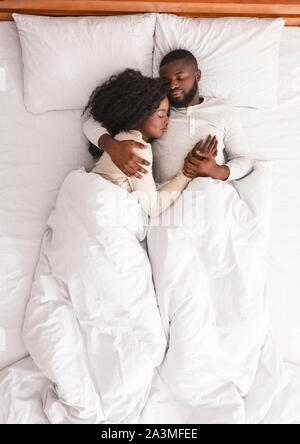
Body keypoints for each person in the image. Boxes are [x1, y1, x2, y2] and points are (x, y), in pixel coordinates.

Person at [83, 49, 253, 186]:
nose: (172, 85)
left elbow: (244, 158)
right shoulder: (153, 110)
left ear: (197, 75)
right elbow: (90, 123)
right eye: (166, 81)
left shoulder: (223, 110)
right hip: (164, 198)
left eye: (180, 77)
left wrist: (217, 171)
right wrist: (112, 147)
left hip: (210, 192)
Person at [83, 69, 218, 217]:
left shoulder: (122, 136)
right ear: (140, 114)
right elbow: (153, 208)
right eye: (161, 115)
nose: (167, 120)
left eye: (167, 114)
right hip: (101, 211)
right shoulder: (136, 148)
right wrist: (186, 174)